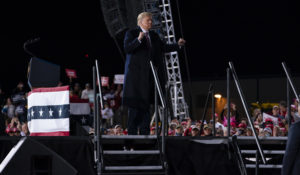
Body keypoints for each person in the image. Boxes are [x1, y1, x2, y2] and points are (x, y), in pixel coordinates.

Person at [122, 12, 186, 135]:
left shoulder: (154, 35)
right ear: (140, 22)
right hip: (136, 80)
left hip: (149, 78)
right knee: (135, 110)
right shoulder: (131, 33)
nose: (151, 22)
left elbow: (163, 48)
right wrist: (139, 39)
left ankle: (145, 139)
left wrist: (178, 45)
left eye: (151, 20)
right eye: (148, 20)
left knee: (146, 109)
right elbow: (127, 48)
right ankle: (131, 141)